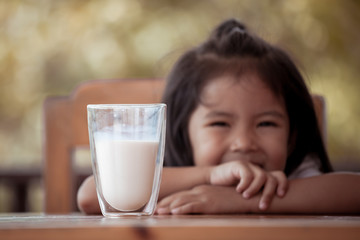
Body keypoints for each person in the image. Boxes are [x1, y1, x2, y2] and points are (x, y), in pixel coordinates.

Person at [77, 19, 360, 215]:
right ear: (182, 132)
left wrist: (242, 201)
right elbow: (91, 194)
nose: (244, 143)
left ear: (292, 136)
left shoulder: (290, 175)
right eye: (220, 123)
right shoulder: (172, 174)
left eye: (266, 123)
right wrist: (210, 175)